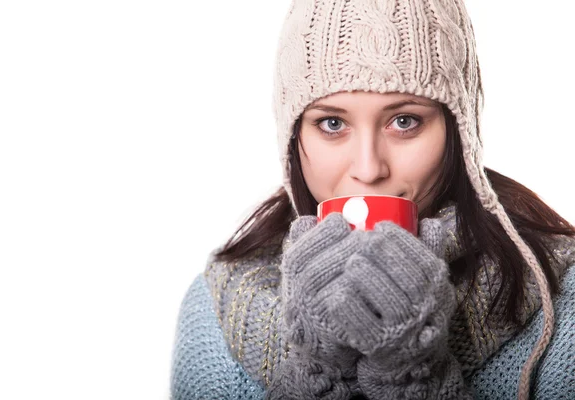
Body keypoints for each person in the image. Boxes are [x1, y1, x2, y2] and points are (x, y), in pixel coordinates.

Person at [170, 0, 575, 398]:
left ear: (459, 130)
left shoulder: (561, 300)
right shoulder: (215, 309)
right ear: (292, 137)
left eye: (405, 121)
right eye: (331, 123)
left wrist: (414, 378)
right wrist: (318, 373)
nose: (368, 169)